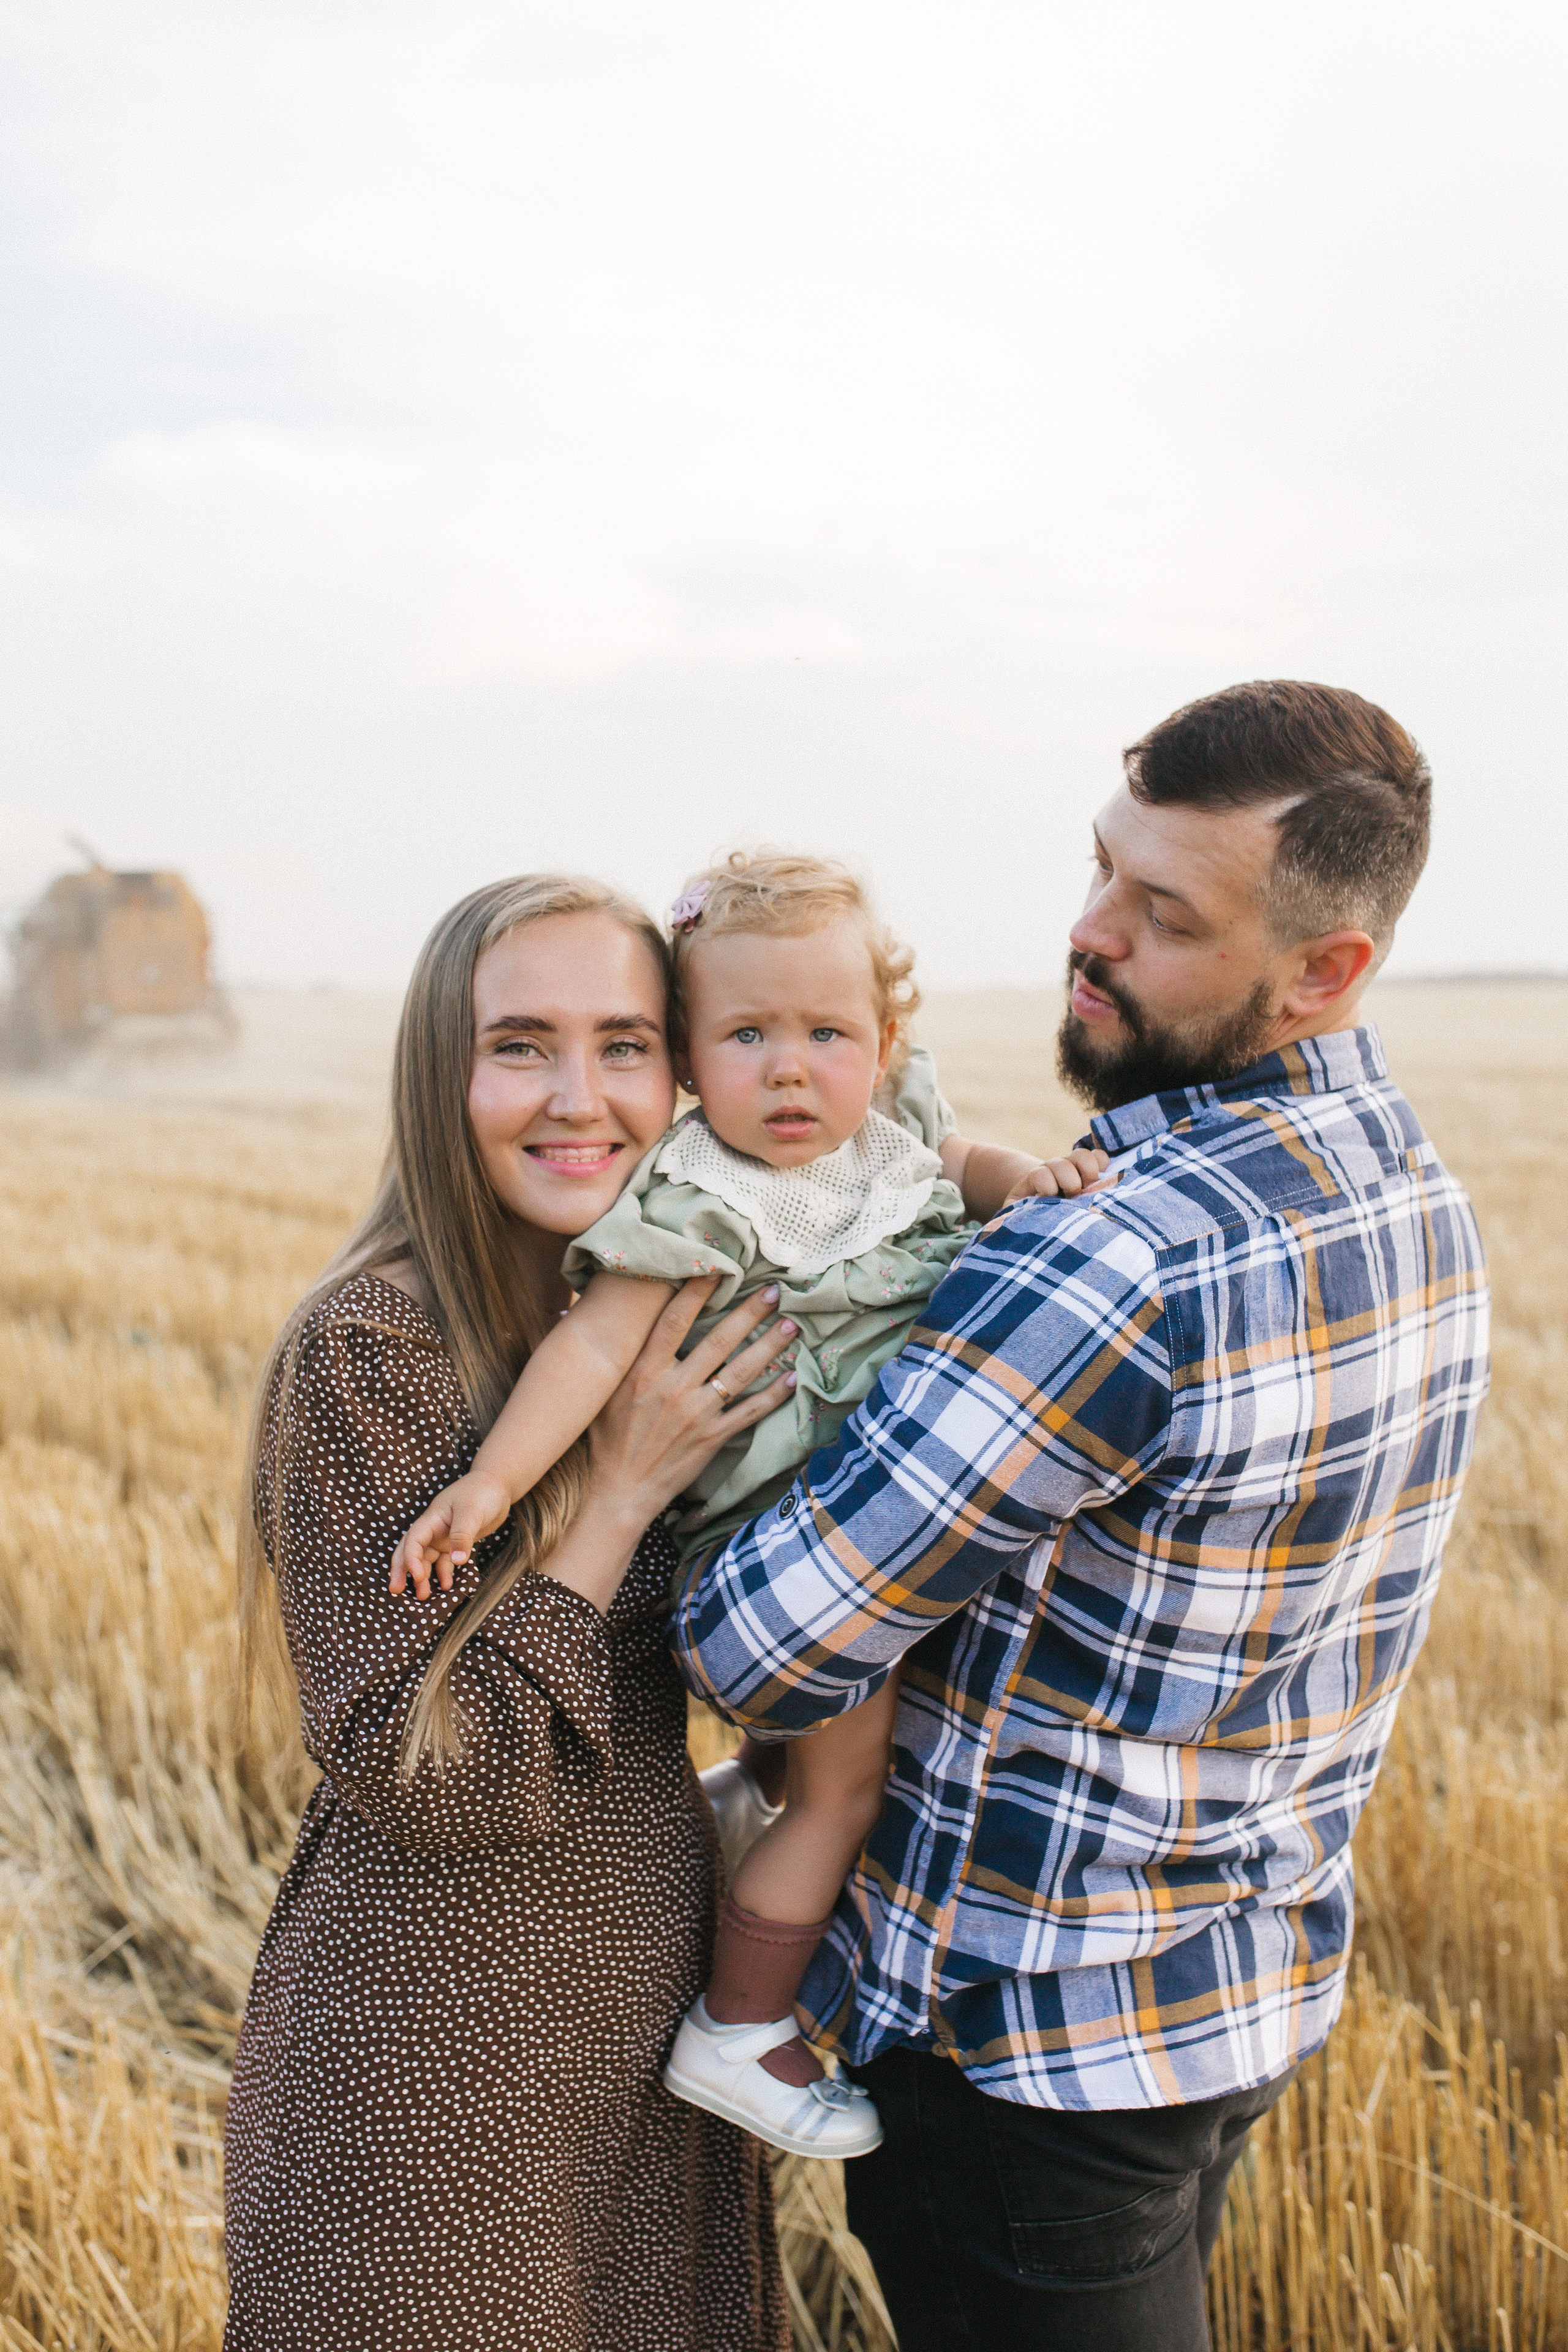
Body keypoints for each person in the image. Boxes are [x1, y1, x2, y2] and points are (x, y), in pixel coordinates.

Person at [601, 683, 1490, 2349]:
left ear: (1326, 970)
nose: (1090, 936)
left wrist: (651, 1466)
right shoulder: (1416, 1196)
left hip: (1022, 2061)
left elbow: (766, 1646)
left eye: (1164, 917)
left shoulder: (1117, 1254)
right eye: (1103, 870)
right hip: (1230, 2000)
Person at [387, 851, 1106, 2158]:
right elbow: (594, 1351)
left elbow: (956, 1156)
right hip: (794, 1547)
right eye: (743, 1035)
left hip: (886, 1518)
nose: (787, 1069)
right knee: (846, 1791)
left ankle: (742, 1810)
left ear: (885, 1044)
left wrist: (1024, 1182)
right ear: (688, 1062)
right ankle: (742, 2026)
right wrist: (490, 1482)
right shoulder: (700, 1199)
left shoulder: (885, 1137)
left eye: (824, 1033)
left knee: (872, 1757)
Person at [223, 873, 802, 2352]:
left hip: (632, 2040)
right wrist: (614, 1499)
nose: (578, 1098)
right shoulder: (373, 1348)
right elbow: (446, 1786)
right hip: (435, 2083)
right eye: (519, 1045)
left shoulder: (643, 1311)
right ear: (441, 1075)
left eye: (624, 1043)